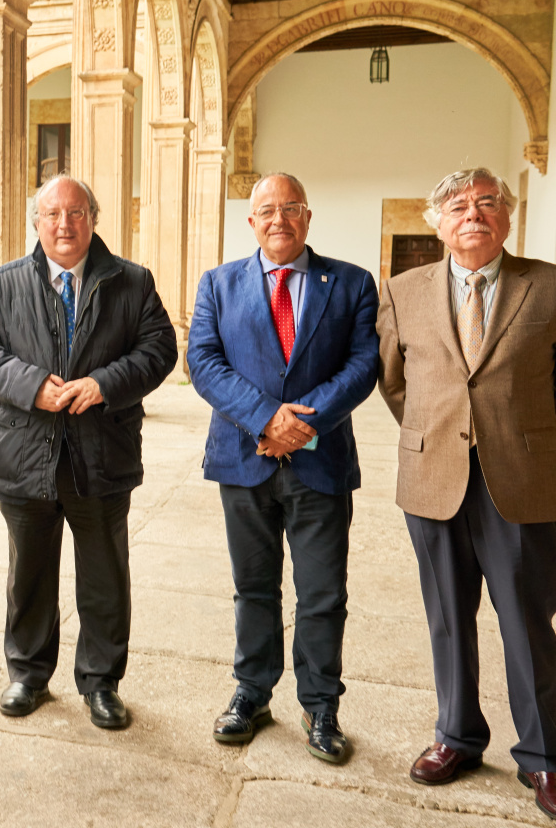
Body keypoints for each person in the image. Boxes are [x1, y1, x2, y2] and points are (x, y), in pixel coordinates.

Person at [377, 168, 556, 824]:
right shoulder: (401, 291)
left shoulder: (554, 288)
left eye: (487, 204)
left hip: (520, 482)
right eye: (456, 207)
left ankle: (541, 759)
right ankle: (457, 736)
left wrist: (523, 439)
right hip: (432, 480)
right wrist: (437, 438)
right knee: (447, 616)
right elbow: (395, 384)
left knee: (527, 623)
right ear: (437, 223)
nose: (472, 214)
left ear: (508, 216)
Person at [0, 174, 176, 731]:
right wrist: (31, 384)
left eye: (76, 213)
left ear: (93, 219)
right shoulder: (0, 285)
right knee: (28, 572)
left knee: (105, 575)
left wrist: (104, 382)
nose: (64, 224)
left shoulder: (132, 282)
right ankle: (28, 675)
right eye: (52, 214)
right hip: (25, 453)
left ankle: (101, 683)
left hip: (103, 453)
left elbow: (159, 349)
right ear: (36, 222)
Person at [186, 173, 379, 764]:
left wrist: (304, 425)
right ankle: (252, 691)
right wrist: (267, 419)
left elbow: (364, 362)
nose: (279, 219)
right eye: (267, 210)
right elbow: (202, 360)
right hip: (244, 459)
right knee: (253, 588)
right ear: (251, 222)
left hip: (319, 464)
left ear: (308, 217)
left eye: (290, 208)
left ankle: (321, 706)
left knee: (322, 593)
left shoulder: (350, 283)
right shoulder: (219, 283)